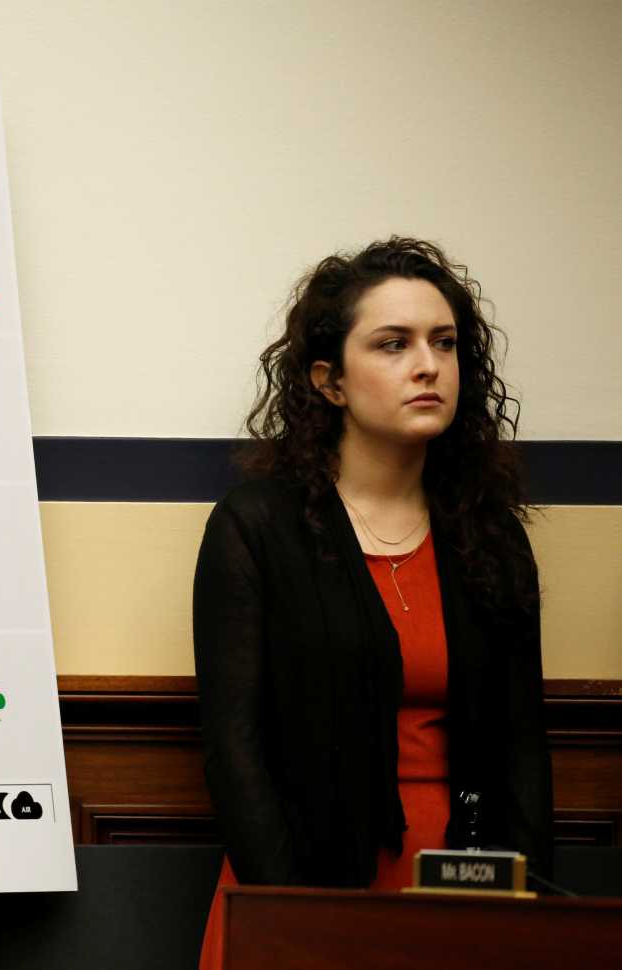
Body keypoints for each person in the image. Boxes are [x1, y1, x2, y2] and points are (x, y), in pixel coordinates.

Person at [193, 237, 552, 969]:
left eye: (444, 343)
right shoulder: (257, 525)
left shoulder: (488, 533)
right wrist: (292, 915)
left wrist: (528, 917)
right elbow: (237, 749)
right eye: (393, 344)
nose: (428, 365)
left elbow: (522, 748)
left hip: (459, 890)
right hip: (299, 889)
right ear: (329, 381)